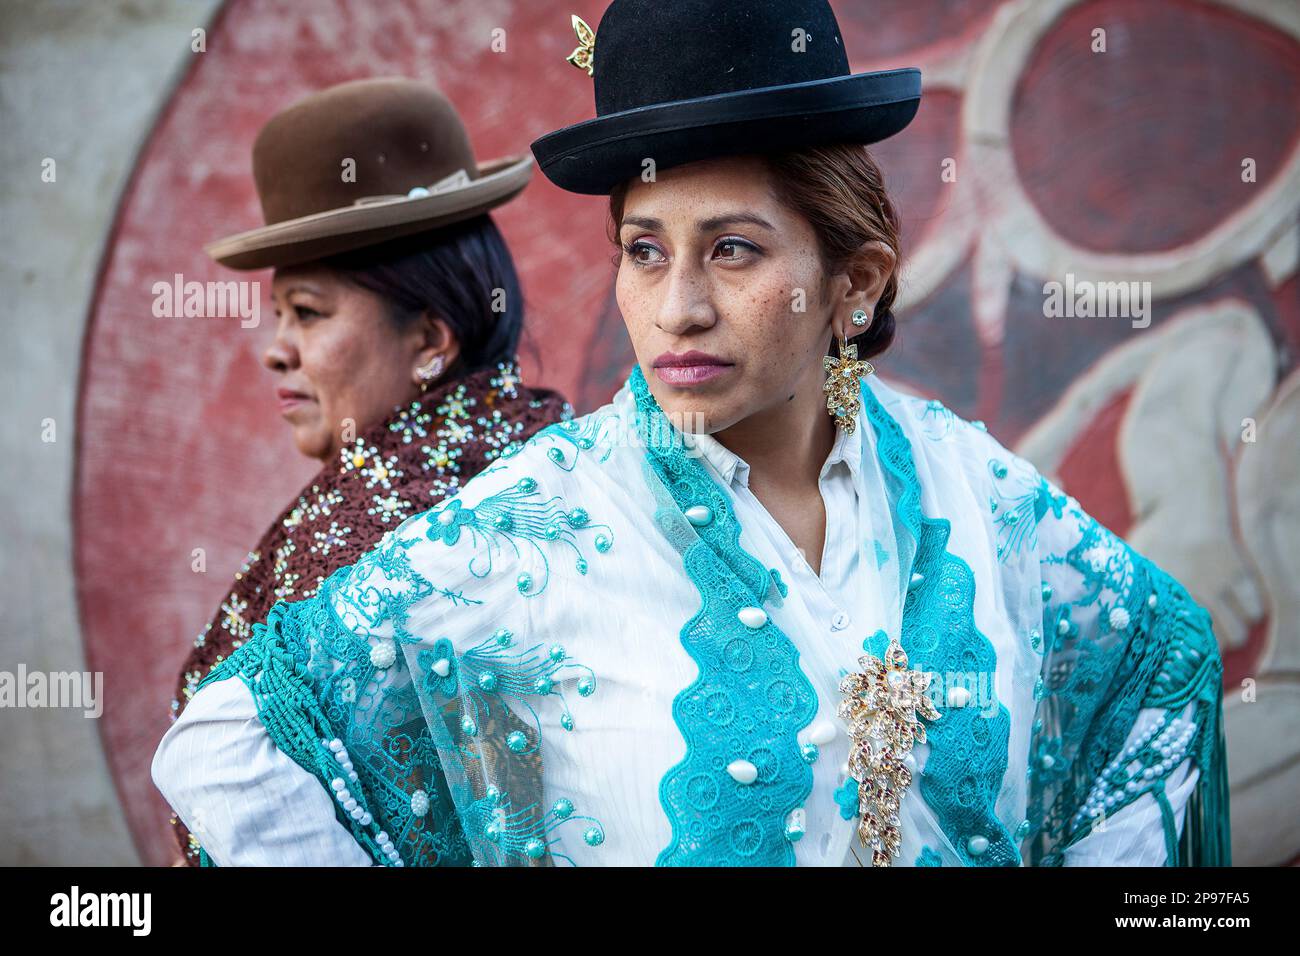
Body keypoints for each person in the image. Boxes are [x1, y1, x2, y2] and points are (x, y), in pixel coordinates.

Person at [153, 0, 1230, 867]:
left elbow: (1157, 667)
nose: (676, 310)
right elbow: (236, 750)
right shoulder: (528, 532)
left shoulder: (975, 496)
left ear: (850, 282)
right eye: (643, 250)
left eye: (732, 251)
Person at [163, 77, 572, 865]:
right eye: (278, 315)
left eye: (309, 313)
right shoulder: (553, 448)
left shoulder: (362, 541)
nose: (275, 349)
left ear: (429, 337)